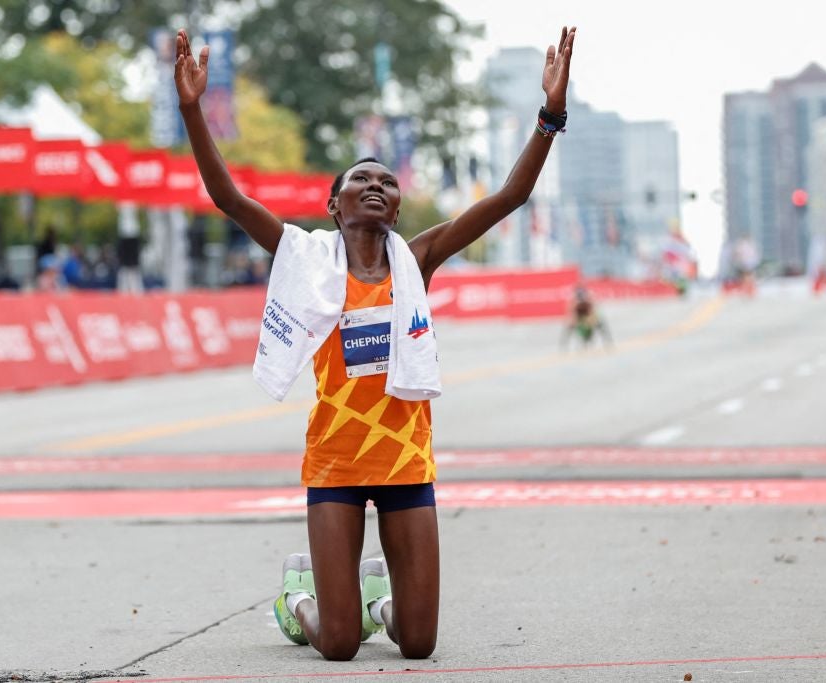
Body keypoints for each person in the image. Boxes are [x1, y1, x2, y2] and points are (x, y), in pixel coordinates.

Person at [174, 25, 575, 661]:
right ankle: (299, 599)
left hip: (404, 464)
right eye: (362, 178)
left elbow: (511, 196)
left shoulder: (418, 261)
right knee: (338, 646)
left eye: (387, 182)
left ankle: (381, 602)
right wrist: (192, 109)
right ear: (334, 205)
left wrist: (549, 116)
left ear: (395, 207)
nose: (377, 186)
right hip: (335, 464)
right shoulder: (305, 260)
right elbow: (227, 197)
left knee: (417, 642)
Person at [561, 284, 612, 350]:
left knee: (600, 324)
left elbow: (593, 312)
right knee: (569, 327)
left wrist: (591, 321)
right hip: (579, 317)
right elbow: (571, 313)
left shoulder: (589, 298)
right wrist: (574, 322)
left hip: (588, 316)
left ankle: (608, 342)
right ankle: (564, 346)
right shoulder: (573, 301)